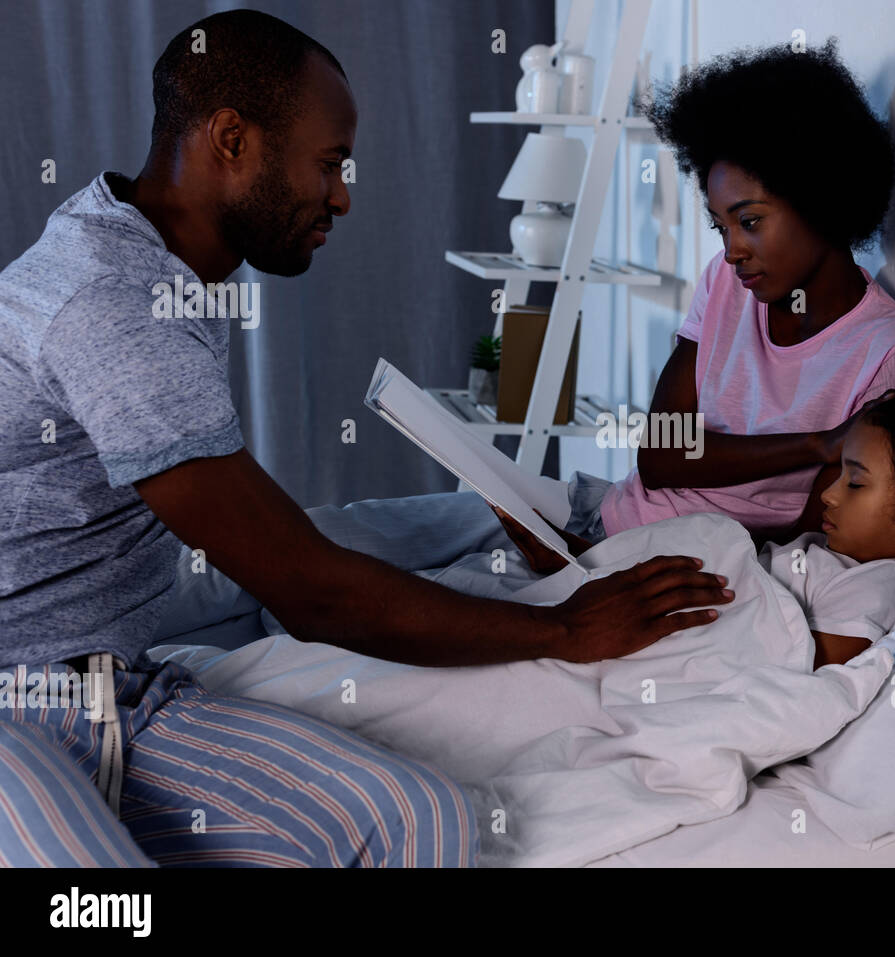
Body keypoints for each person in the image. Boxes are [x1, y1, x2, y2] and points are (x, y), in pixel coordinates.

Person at [0, 9, 731, 868]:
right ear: (231, 139)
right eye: (329, 163)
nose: (342, 194)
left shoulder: (166, 270)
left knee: (426, 822)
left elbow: (290, 552)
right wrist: (563, 631)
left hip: (114, 693)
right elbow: (313, 590)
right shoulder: (112, 305)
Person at [560, 38, 895, 547]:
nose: (733, 250)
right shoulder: (724, 282)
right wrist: (815, 443)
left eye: (750, 221)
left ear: (821, 200)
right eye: (721, 228)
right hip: (611, 518)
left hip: (679, 569)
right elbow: (660, 455)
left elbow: (819, 525)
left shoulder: (892, 347)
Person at [504, 336, 895, 671]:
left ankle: (576, 577)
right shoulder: (825, 552)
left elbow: (787, 666)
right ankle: (578, 568)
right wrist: (588, 564)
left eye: (855, 483)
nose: (827, 494)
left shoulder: (876, 586)